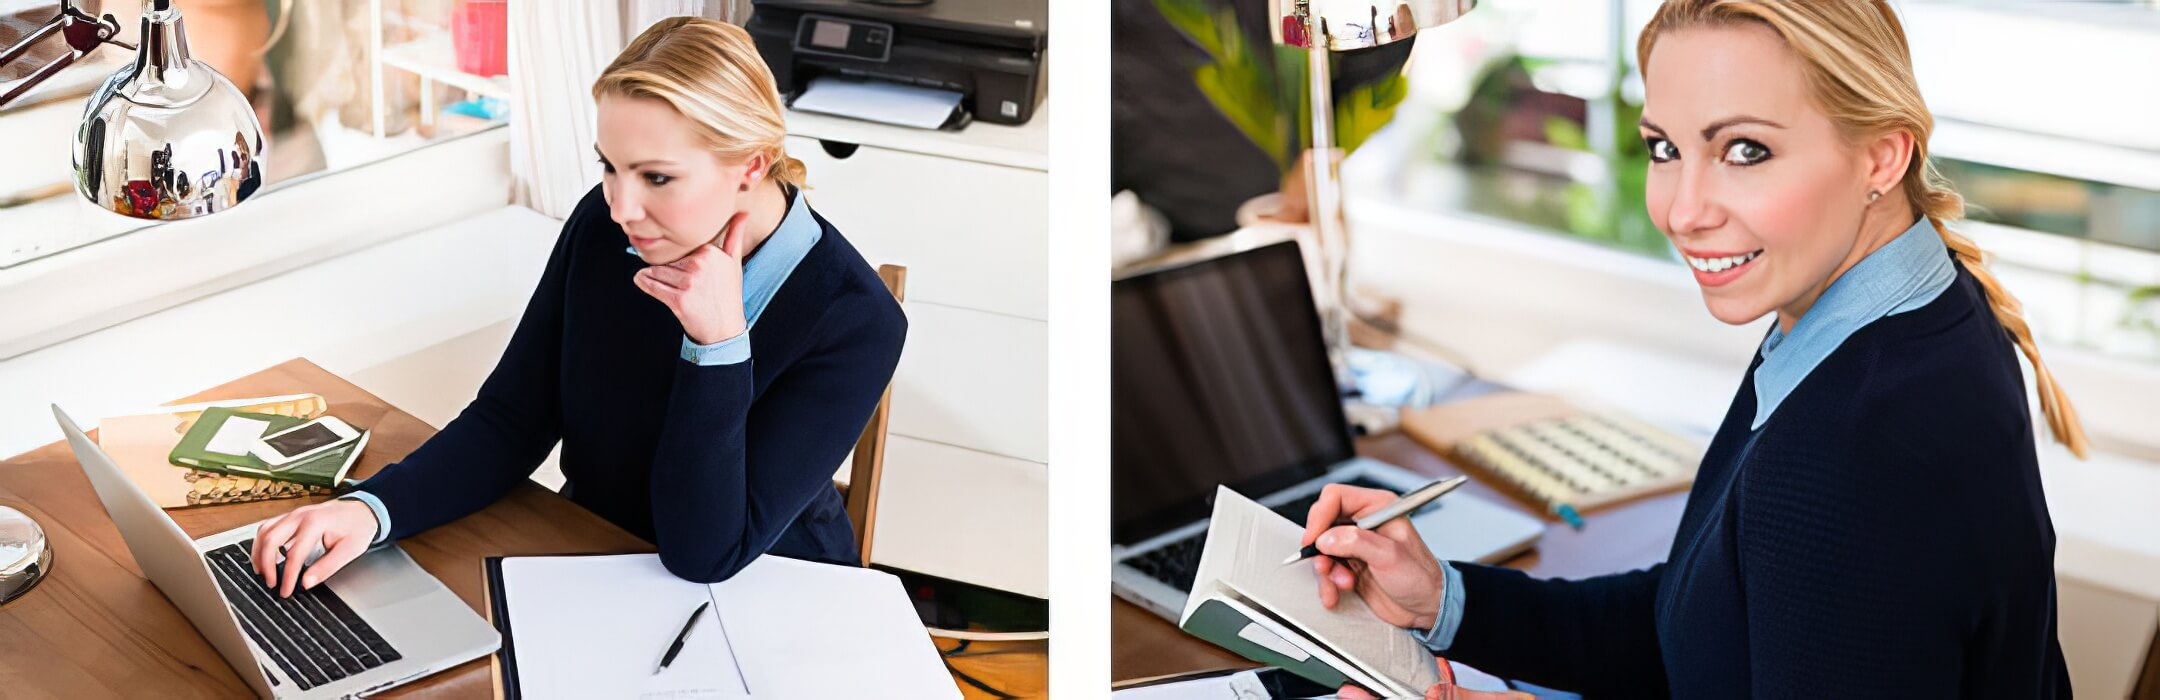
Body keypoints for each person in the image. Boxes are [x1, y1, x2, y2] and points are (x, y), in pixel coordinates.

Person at [1308, 2, 2082, 697]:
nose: (1682, 211)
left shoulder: (1855, 446)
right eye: (1663, 148)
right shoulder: (1883, 311)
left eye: (1745, 150)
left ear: (1882, 157)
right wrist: (1445, 600)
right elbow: (1701, 627)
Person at [246, 17, 906, 596]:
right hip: (595, 563)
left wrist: (719, 346)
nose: (621, 206)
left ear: (751, 167)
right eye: (609, 166)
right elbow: (512, 418)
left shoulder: (855, 319)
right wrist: (371, 511)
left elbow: (705, 553)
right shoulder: (607, 226)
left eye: (656, 177)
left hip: (770, 598)